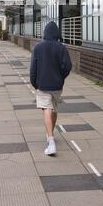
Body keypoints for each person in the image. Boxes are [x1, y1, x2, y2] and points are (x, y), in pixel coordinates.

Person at [30, 21, 72, 156]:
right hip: (57, 86)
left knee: (46, 109)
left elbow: (33, 69)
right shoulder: (61, 48)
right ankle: (51, 133)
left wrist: (34, 83)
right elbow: (68, 67)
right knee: (53, 108)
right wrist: (61, 77)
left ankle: (51, 140)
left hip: (43, 84)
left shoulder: (38, 48)